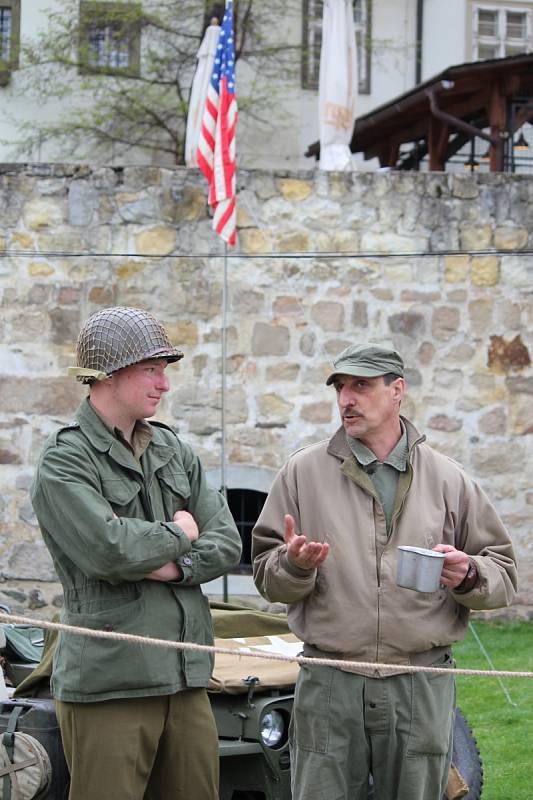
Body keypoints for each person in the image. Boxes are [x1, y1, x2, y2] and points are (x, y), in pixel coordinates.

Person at [252, 342, 517, 800]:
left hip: (419, 685)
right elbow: (265, 573)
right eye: (339, 387)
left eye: (361, 385)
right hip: (330, 682)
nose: (345, 399)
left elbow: (504, 574)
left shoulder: (449, 479)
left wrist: (469, 575)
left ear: (397, 391)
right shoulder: (301, 473)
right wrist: (293, 566)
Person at [31, 306, 242, 800]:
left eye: (164, 371)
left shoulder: (173, 450)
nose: (163, 385)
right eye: (151, 369)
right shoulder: (65, 459)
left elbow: (227, 542)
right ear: (107, 374)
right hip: (111, 681)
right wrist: (178, 533)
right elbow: (109, 551)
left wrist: (170, 567)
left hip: (185, 675)